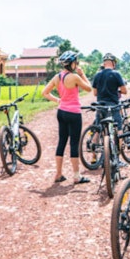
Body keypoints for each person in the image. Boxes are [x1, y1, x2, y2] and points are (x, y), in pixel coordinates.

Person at [41, 50, 92, 184]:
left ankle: (58, 174)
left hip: (61, 112)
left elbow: (44, 92)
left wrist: (58, 100)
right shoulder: (75, 77)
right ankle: (76, 176)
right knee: (74, 144)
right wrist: (82, 74)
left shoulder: (57, 77)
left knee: (62, 142)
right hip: (74, 113)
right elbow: (89, 88)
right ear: (73, 64)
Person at [92, 53, 127, 130]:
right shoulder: (116, 74)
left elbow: (95, 93)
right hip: (113, 105)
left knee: (98, 128)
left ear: (104, 63)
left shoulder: (97, 75)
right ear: (113, 63)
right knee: (118, 127)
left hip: (100, 105)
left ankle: (94, 141)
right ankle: (121, 142)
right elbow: (124, 91)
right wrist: (117, 91)